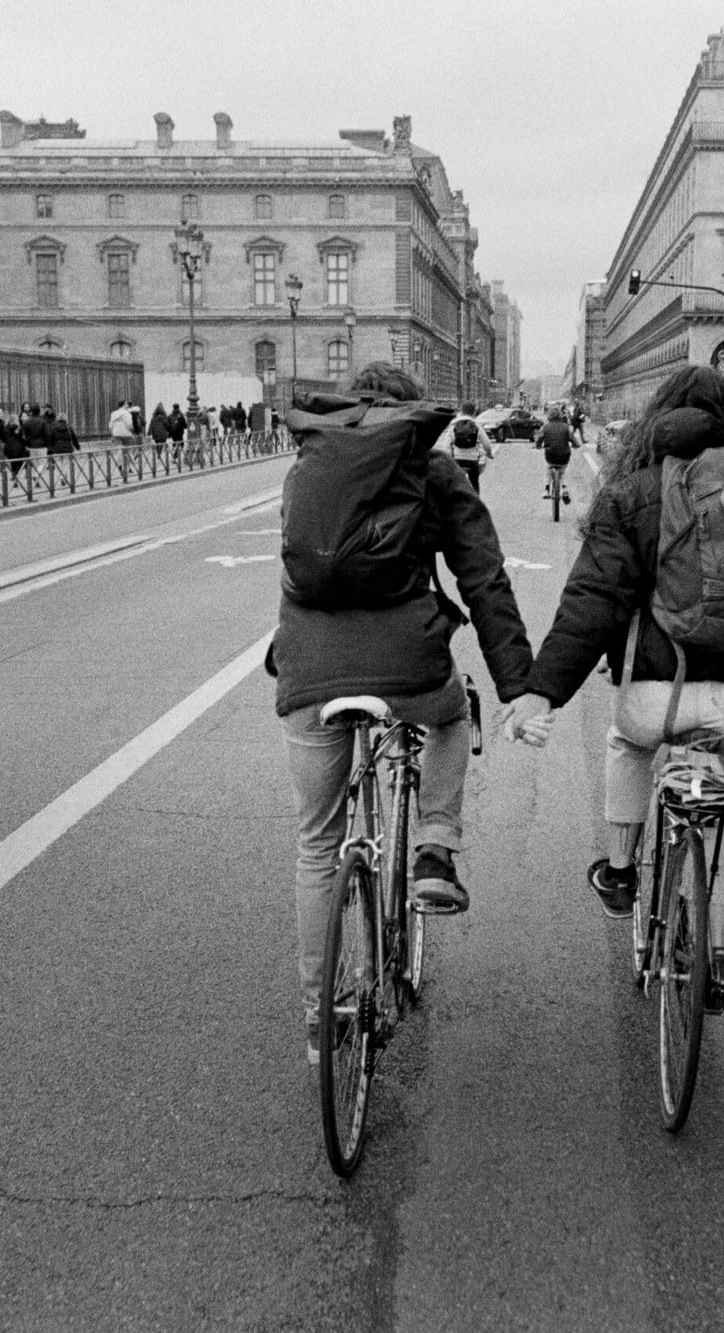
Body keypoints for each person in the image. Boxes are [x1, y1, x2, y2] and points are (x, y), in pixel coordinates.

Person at [502, 363, 724, 1013]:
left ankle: (617, 870)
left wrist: (542, 692)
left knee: (626, 743)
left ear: (657, 419)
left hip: (656, 694)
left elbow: (593, 606)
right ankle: (720, 954)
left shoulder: (635, 492)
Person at [270, 362, 535, 1063]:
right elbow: (483, 578)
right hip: (405, 658)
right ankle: (432, 851)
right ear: (413, 412)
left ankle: (318, 1021)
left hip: (309, 662)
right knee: (453, 716)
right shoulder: (434, 467)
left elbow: (299, 563)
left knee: (317, 844)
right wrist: (517, 685)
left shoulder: (311, 464)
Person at [440, 401, 493, 491]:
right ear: (474, 412)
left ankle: (455, 500)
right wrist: (489, 454)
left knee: (454, 483)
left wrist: (447, 461)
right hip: (472, 460)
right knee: (474, 482)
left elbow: (446, 446)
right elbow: (486, 444)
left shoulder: (454, 426)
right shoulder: (476, 426)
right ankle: (475, 500)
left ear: (461, 411)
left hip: (457, 460)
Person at [536, 408, 575, 504]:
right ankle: (564, 487)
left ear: (549, 416)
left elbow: (539, 439)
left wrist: (537, 446)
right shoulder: (566, 427)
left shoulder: (545, 427)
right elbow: (574, 440)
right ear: (560, 416)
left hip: (550, 455)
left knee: (548, 469)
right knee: (563, 471)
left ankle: (546, 489)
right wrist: (575, 445)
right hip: (564, 455)